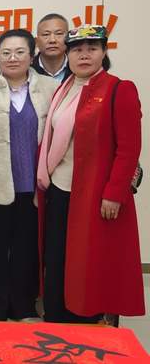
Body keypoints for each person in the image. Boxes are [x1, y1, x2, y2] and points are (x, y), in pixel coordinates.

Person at [36, 25, 145, 323]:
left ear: (104, 52)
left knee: (90, 261)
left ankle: (86, 321)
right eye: (77, 50)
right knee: (57, 257)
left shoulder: (118, 89)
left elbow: (129, 149)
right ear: (68, 54)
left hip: (96, 194)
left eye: (92, 49)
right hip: (60, 188)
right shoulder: (64, 89)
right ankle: (56, 316)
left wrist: (114, 193)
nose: (84, 55)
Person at [0, 29, 58, 321]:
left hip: (34, 184)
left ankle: (23, 306)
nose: (12, 58)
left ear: (32, 55)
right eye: (6, 53)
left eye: (20, 52)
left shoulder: (50, 89)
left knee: (27, 249)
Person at [33, 14, 72, 83]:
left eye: (59, 34)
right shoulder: (27, 70)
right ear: (37, 41)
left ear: (68, 38)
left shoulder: (77, 68)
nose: (52, 40)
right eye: (46, 34)